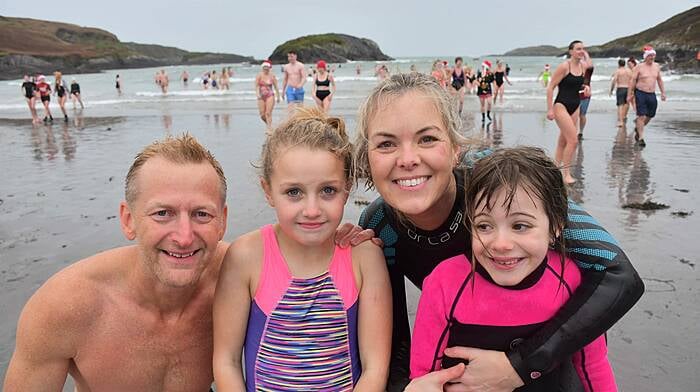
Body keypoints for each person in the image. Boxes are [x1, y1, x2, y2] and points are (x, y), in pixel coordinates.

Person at [352, 72, 643, 391]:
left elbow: (618, 274)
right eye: (386, 144)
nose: (407, 159)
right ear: (367, 157)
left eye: (427, 138)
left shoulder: (498, 188)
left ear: (455, 148)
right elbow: (394, 352)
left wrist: (520, 366)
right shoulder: (379, 224)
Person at [3, 134, 230, 391]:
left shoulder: (241, 280)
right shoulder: (65, 305)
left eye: (202, 214)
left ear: (222, 221)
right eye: (162, 214)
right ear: (128, 220)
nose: (184, 237)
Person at [409, 146, 617, 391]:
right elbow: (423, 373)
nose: (501, 244)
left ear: (556, 225)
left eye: (520, 226)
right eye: (484, 226)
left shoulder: (568, 278)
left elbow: (591, 364)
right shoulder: (445, 283)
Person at [213, 107, 391, 390]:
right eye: (293, 192)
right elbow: (226, 360)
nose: (311, 210)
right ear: (268, 191)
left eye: (328, 191)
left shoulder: (364, 257)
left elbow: (375, 368)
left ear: (346, 189)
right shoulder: (246, 257)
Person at [547, 40, 589, 184]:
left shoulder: (583, 66)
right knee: (573, 140)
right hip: (561, 105)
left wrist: (586, 88)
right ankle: (565, 174)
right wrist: (550, 109)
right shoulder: (564, 66)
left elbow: (580, 84)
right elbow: (550, 87)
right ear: (571, 51)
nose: (581, 51)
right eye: (578, 49)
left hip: (575, 105)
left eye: (582, 49)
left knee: (563, 140)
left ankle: (554, 170)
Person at [627, 46, 666, 147]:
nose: (652, 57)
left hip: (651, 94)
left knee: (650, 115)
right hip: (640, 93)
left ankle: (638, 128)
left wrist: (663, 93)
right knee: (641, 115)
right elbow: (632, 81)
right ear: (645, 57)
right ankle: (640, 138)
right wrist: (630, 94)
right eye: (650, 56)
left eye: (653, 55)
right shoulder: (639, 67)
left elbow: (659, 80)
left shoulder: (656, 66)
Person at [255, 60, 280, 130]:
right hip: (261, 96)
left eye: (267, 67)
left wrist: (278, 97)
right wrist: (257, 94)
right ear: (262, 68)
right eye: (264, 67)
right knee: (262, 115)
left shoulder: (272, 76)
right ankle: (269, 124)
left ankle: (269, 128)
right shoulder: (259, 75)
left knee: (268, 113)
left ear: (269, 68)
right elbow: (256, 86)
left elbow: (276, 87)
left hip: (270, 95)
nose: (266, 69)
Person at [610, 59, 632, 127]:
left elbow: (614, 80)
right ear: (624, 64)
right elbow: (633, 80)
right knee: (626, 104)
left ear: (618, 64)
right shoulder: (629, 71)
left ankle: (620, 121)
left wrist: (611, 90)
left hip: (620, 88)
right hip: (628, 88)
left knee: (620, 105)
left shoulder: (618, 71)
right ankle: (624, 116)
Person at [577, 50, 594, 140]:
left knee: (582, 114)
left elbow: (591, 65)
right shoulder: (573, 69)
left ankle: (580, 132)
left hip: (585, 95)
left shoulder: (588, 72)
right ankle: (572, 131)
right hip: (574, 94)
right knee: (574, 114)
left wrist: (585, 54)